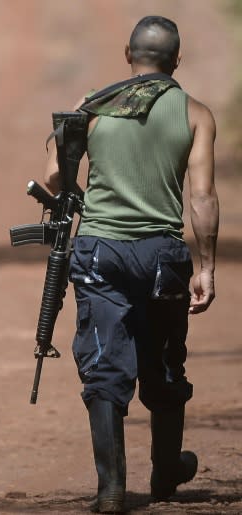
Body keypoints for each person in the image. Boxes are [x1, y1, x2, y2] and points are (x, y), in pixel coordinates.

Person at [43, 15, 219, 514]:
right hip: (162, 254)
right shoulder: (196, 113)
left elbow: (55, 178)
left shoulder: (94, 106)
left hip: (99, 252)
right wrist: (205, 267)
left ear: (128, 55)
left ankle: (111, 488)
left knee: (104, 365)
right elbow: (202, 197)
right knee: (163, 363)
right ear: (176, 61)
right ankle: (166, 472)